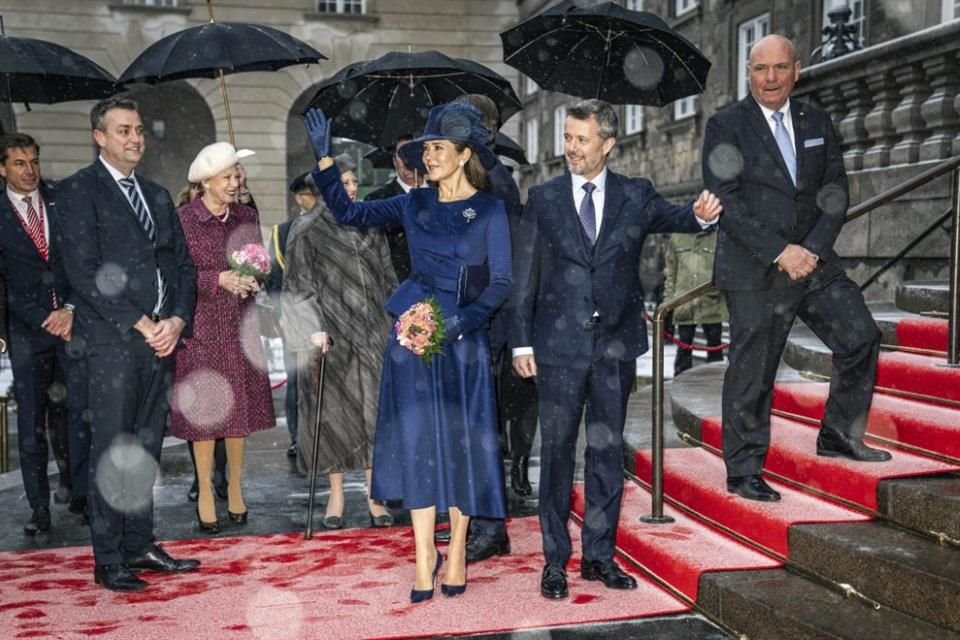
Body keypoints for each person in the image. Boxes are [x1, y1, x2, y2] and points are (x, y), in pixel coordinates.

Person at [511, 99, 722, 600]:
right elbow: (524, 277)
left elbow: (680, 218)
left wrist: (701, 215)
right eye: (567, 138)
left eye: (581, 140)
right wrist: (521, 340)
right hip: (557, 350)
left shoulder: (635, 194)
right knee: (558, 456)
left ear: (608, 144)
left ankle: (599, 558)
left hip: (613, 352)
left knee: (606, 455)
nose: (571, 149)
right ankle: (555, 561)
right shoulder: (542, 198)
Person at [304, 102, 511, 603]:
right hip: (412, 338)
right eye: (426, 149)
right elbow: (349, 213)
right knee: (418, 446)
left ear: (464, 156)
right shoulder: (412, 203)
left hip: (463, 342)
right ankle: (423, 556)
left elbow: (500, 281)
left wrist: (463, 323)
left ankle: (457, 550)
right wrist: (327, 164)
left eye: (439, 148)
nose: (429, 156)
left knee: (461, 449)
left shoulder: (489, 208)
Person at [702, 34, 888, 503]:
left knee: (860, 336)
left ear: (797, 70)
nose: (770, 78)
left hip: (815, 261)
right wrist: (781, 251)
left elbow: (836, 190)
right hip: (756, 267)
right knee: (754, 371)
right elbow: (728, 199)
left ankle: (839, 434)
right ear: (749, 72)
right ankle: (743, 469)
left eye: (780, 68)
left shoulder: (816, 120)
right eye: (761, 69)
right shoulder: (726, 125)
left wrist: (813, 249)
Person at [57, 96, 200, 591]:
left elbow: (181, 266)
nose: (135, 138)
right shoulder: (78, 191)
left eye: (139, 129)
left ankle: (139, 541)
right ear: (99, 136)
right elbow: (85, 272)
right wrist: (143, 322)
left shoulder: (158, 195)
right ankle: (108, 557)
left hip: (162, 342)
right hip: (112, 344)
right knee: (111, 451)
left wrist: (177, 319)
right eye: (123, 131)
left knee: (146, 448)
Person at [282, 153, 397, 530]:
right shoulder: (307, 228)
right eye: (342, 183)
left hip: (372, 332)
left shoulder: (368, 222)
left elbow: (386, 275)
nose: (349, 189)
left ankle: (373, 494)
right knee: (331, 417)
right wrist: (312, 328)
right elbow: (297, 286)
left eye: (352, 183)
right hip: (330, 336)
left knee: (371, 415)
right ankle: (335, 495)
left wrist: (400, 317)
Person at [171, 142, 276, 533]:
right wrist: (216, 279)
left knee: (238, 413)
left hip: (238, 324)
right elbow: (172, 274)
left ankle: (234, 484)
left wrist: (255, 277)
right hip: (200, 327)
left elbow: (259, 260)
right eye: (228, 177)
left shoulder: (246, 214)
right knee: (205, 414)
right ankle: (204, 489)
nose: (236, 182)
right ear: (205, 182)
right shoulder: (182, 219)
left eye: (238, 175)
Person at [448, 94, 534, 564]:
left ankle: (489, 525)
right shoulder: (453, 173)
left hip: (490, 323)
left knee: (483, 432)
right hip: (456, 318)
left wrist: (480, 151)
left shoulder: (496, 177)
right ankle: (469, 517)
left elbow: (505, 202)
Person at [0, 132, 89, 534]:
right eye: (20, 163)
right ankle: (39, 507)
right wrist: (41, 316)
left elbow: (79, 258)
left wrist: (69, 308)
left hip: (71, 327)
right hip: (27, 332)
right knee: (32, 425)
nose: (29, 170)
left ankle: (78, 492)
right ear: (2, 168)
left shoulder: (60, 200)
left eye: (34, 161)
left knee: (75, 417)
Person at [267, 172, 319, 458]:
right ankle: (299, 436)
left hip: (329, 312)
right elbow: (275, 279)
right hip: (297, 313)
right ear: (299, 197)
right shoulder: (283, 232)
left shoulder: (333, 225)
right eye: (311, 194)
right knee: (297, 379)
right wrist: (280, 314)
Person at [662, 228, 726, 376]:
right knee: (683, 348)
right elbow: (671, 273)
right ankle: (679, 384)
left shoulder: (718, 236)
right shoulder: (677, 236)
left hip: (712, 302)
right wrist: (668, 302)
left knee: (715, 347)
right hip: (684, 302)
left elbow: (725, 270)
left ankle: (716, 384)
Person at [364, 133, 425, 281]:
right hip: (400, 285)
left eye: (413, 153)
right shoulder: (377, 199)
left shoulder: (443, 192)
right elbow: (374, 251)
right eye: (402, 154)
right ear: (394, 161)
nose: (408, 160)